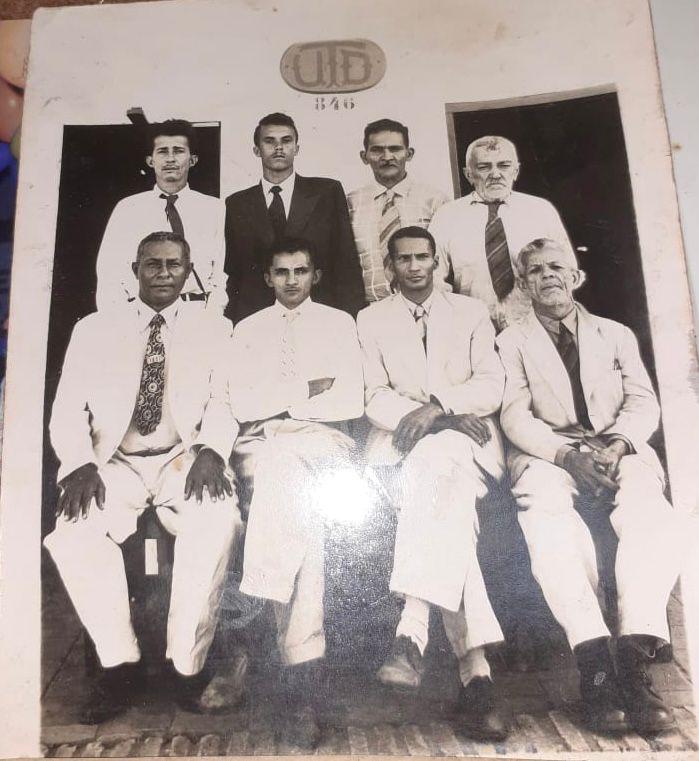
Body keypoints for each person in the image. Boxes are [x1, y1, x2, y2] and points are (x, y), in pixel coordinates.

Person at [44, 231, 240, 722]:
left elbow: (224, 400)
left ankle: (187, 668)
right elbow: (67, 408)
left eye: (174, 264)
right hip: (116, 462)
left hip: (183, 458)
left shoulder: (215, 328)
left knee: (217, 521)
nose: (163, 273)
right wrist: (80, 463)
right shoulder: (94, 329)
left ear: (188, 270)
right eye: (153, 264)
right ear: (135, 270)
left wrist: (212, 451)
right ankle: (120, 667)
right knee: (73, 533)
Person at [497, 237, 689, 733]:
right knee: (549, 522)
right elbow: (515, 416)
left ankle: (635, 654)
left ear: (576, 277)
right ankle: (596, 665)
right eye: (535, 270)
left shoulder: (615, 334)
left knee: (652, 514)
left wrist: (617, 445)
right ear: (524, 284)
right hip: (549, 453)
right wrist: (566, 456)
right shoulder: (511, 341)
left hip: (616, 448)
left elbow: (643, 401)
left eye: (557, 267)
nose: (547, 276)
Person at [356, 225, 509, 741]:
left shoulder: (469, 312)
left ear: (437, 261)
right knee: (449, 509)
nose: (415, 267)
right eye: (404, 259)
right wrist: (436, 419)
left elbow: (490, 383)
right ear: (389, 266)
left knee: (441, 466)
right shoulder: (371, 319)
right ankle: (477, 677)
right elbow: (373, 395)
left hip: (468, 443)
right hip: (401, 447)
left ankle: (412, 630)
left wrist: (441, 406)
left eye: (423, 257)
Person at [227, 237, 364, 748]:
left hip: (321, 441)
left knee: (284, 475)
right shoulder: (247, 330)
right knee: (304, 523)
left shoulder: (339, 324)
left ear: (315, 275)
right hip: (261, 443)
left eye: (300, 271)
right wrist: (307, 389)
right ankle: (302, 677)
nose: (291, 281)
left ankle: (257, 597)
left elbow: (350, 399)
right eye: (281, 272)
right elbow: (242, 403)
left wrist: (280, 406)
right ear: (267, 277)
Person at [224, 112, 365, 324]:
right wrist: (234, 322)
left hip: (321, 314)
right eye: (269, 141)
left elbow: (346, 262)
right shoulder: (238, 203)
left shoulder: (326, 192)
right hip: (257, 318)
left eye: (286, 140)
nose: (278, 147)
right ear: (256, 150)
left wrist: (352, 318)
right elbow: (234, 271)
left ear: (296, 148)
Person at [428, 135, 571, 331]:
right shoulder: (447, 216)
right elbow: (433, 278)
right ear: (468, 174)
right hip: (472, 328)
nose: (495, 174)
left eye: (504, 165)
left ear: (516, 171)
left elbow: (567, 271)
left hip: (537, 327)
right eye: (484, 167)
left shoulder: (541, 211)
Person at [96, 119, 227, 311]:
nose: (170, 159)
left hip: (195, 311)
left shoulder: (214, 209)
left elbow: (221, 274)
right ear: (151, 161)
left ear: (192, 160)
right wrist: (121, 320)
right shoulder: (128, 208)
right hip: (138, 312)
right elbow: (109, 274)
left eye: (178, 151)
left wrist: (212, 316)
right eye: (163, 151)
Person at [347, 118, 448, 302]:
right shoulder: (351, 203)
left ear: (409, 154)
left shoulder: (435, 200)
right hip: (371, 307)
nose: (387, 157)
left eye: (395, 149)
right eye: (377, 150)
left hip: (427, 305)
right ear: (364, 156)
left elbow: (445, 261)